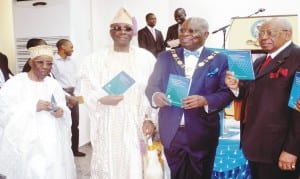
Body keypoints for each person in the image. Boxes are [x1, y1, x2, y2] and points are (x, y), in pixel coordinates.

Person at [146, 17, 233, 179]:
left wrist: (205, 100)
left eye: (192, 31)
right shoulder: (165, 57)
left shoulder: (220, 59)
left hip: (203, 133)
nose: (185, 34)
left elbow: (227, 93)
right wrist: (156, 96)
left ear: (206, 35)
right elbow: (151, 87)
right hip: (171, 132)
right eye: (182, 30)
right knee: (174, 175)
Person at [78, 7, 157, 179]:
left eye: (127, 28)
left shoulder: (146, 59)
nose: (122, 31)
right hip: (108, 121)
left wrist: (150, 118)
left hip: (136, 121)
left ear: (133, 32)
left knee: (135, 164)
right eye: (117, 28)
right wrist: (101, 99)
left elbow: (153, 90)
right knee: (110, 163)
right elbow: (86, 91)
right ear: (110, 31)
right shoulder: (95, 60)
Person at [225, 18, 300, 178]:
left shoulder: (297, 58)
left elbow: (298, 109)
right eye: (260, 33)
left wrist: (292, 149)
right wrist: (236, 87)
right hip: (255, 145)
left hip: (280, 148)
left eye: (270, 33)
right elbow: (251, 93)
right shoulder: (259, 61)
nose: (263, 37)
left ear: (288, 34)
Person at [0, 45, 76, 179]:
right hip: (28, 144)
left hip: (53, 141)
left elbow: (62, 106)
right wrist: (33, 107)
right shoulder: (16, 83)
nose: (45, 66)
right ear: (30, 62)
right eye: (40, 62)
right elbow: (4, 111)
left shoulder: (53, 84)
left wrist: (60, 111)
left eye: (49, 63)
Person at [51, 39, 85, 157]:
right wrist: (67, 96)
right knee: (62, 123)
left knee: (75, 123)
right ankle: (63, 153)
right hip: (61, 94)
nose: (73, 49)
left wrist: (75, 95)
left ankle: (74, 150)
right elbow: (53, 82)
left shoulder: (73, 61)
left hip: (74, 94)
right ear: (62, 47)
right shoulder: (53, 62)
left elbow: (78, 79)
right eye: (71, 47)